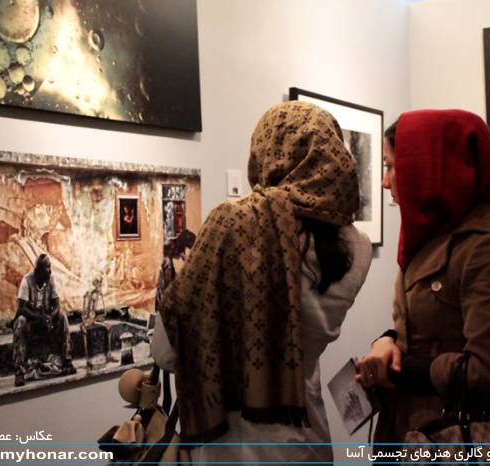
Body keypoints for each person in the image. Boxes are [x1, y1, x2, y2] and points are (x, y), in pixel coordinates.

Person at [152, 101, 372, 463]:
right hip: (305, 440)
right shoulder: (357, 246)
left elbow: (165, 352)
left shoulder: (230, 226)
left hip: (231, 446)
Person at [355, 109, 490, 445]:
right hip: (410, 430)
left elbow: (487, 373)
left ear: (427, 166)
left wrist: (403, 368)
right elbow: (425, 325)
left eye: (391, 166)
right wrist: (387, 341)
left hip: (455, 439)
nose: (385, 182)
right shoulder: (429, 238)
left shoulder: (486, 249)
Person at [13, 254, 75, 387]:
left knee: (63, 316)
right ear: (38, 271)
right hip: (31, 322)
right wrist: (39, 318)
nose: (50, 271)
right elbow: (21, 308)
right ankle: (19, 371)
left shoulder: (50, 279)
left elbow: (57, 305)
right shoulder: (26, 281)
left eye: (50, 267)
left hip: (46, 321)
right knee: (20, 321)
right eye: (47, 268)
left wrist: (50, 317)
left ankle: (67, 361)